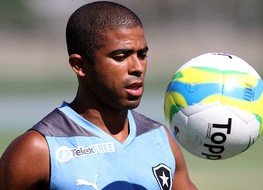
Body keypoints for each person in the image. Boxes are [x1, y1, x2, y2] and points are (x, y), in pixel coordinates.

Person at [0, 1, 198, 190]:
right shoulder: (39, 149)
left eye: (142, 55)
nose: (137, 67)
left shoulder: (159, 139)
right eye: (120, 57)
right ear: (80, 65)